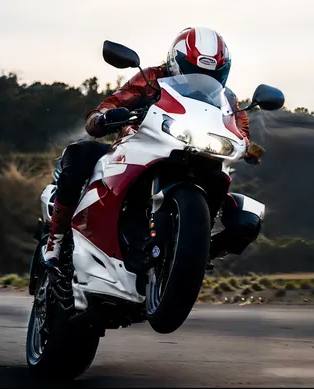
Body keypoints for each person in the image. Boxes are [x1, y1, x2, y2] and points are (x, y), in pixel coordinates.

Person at [42, 27, 263, 267]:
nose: (200, 77)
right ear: (176, 61)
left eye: (210, 73)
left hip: (198, 155)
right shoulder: (150, 78)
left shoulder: (227, 100)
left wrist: (246, 145)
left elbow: (239, 129)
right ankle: (57, 238)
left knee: (247, 217)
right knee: (79, 154)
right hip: (137, 148)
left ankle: (192, 253)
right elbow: (113, 102)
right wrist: (103, 116)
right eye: (193, 69)